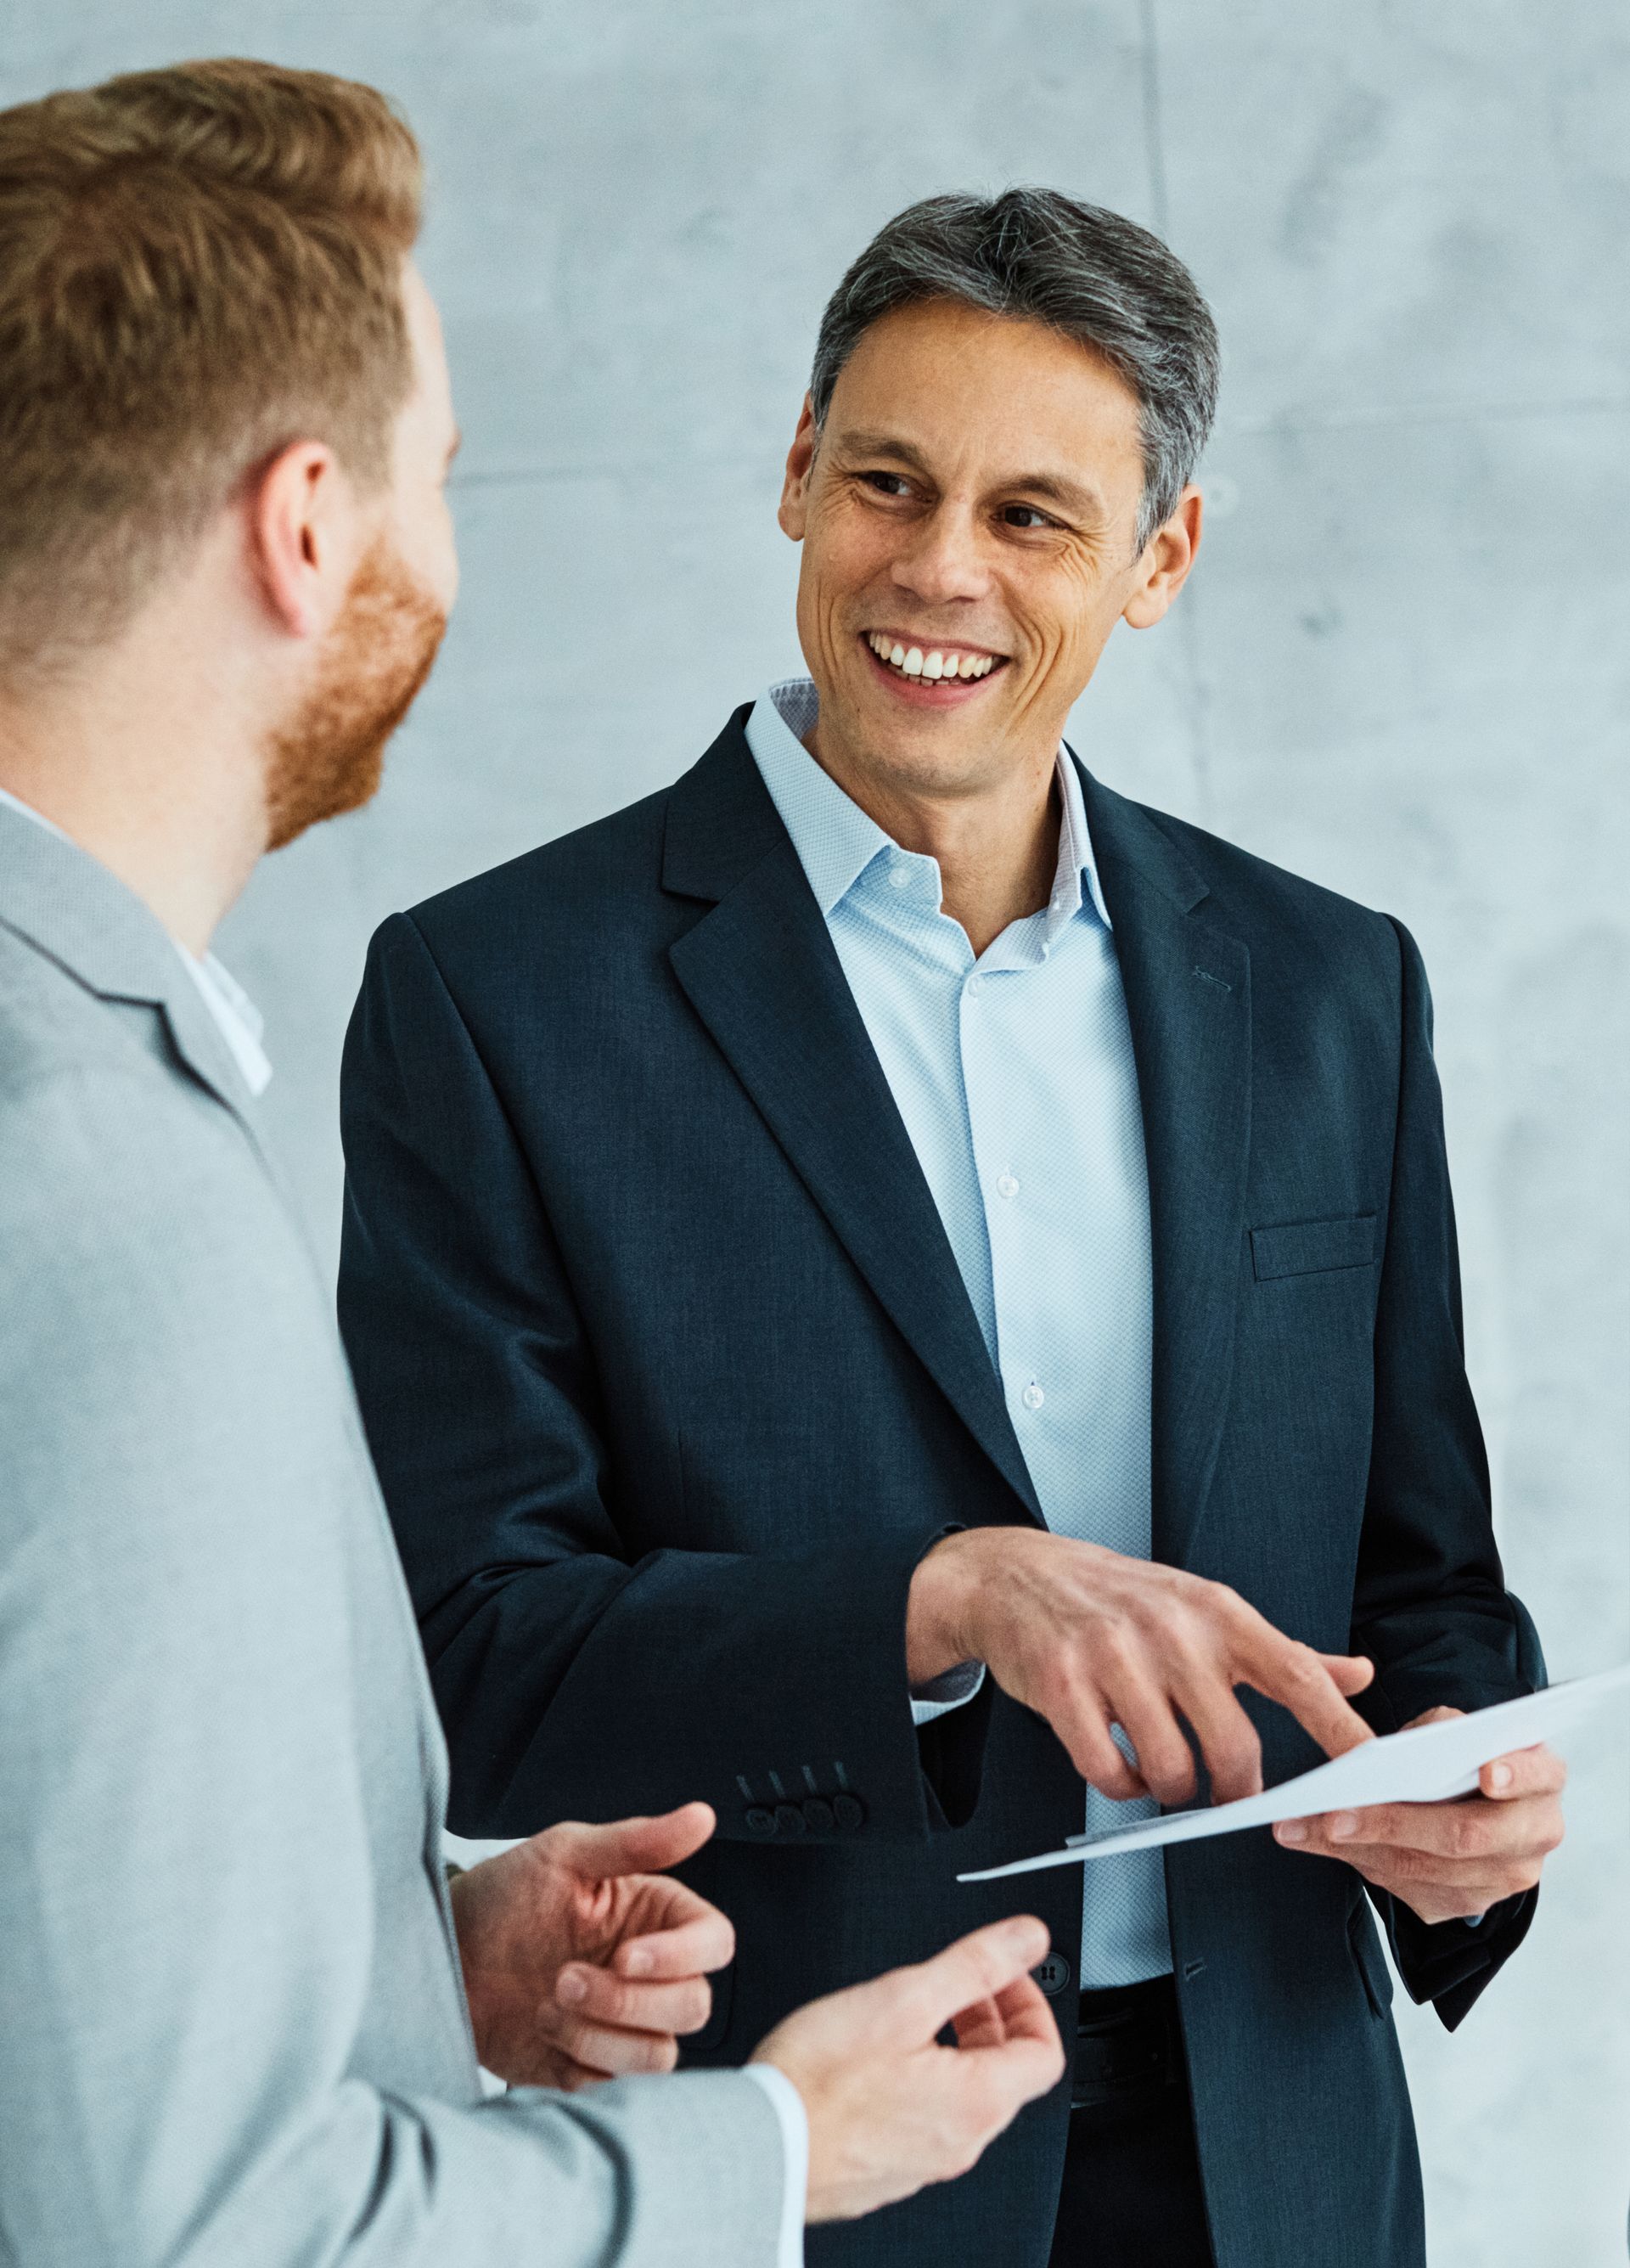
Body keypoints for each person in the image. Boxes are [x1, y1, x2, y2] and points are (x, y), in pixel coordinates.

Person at [337, 189, 1570, 2268]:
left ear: (1160, 560)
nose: (939, 570)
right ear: (797, 470)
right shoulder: (497, 997)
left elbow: (1425, 1588)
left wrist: (1471, 1803)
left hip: (1279, 2153)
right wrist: (934, 1600)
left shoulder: (1329, 986)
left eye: (1035, 515)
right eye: (891, 482)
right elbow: (483, 1661)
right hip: (803, 2151)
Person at [0, 65, 1070, 2268]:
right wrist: (771, 2159)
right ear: (309, 529)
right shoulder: (97, 1196)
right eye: (437, 478)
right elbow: (201, 2233)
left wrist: (415, 1966)